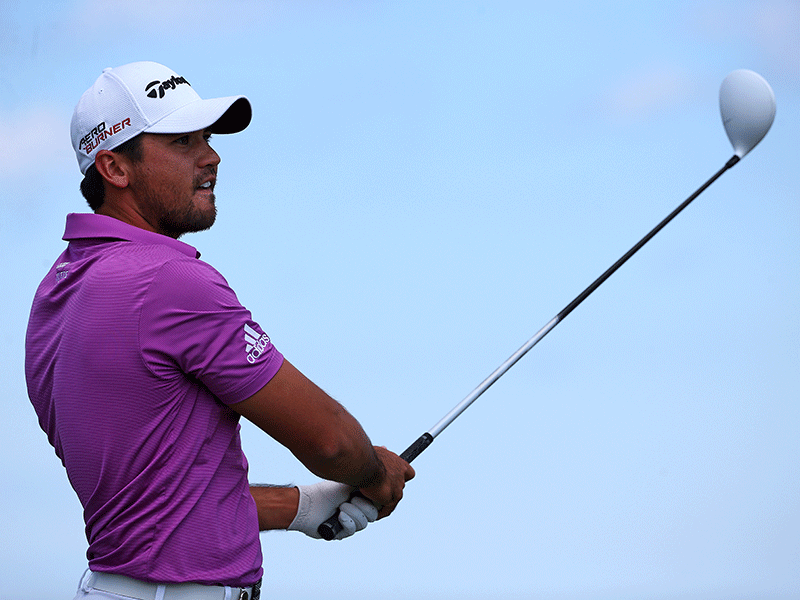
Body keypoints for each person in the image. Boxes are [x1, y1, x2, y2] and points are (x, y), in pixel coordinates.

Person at [25, 61, 415, 600]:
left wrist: (299, 506)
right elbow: (329, 441)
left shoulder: (56, 293)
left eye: (205, 138)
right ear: (115, 168)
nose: (211, 156)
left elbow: (155, 501)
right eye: (182, 141)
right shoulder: (169, 280)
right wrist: (374, 473)